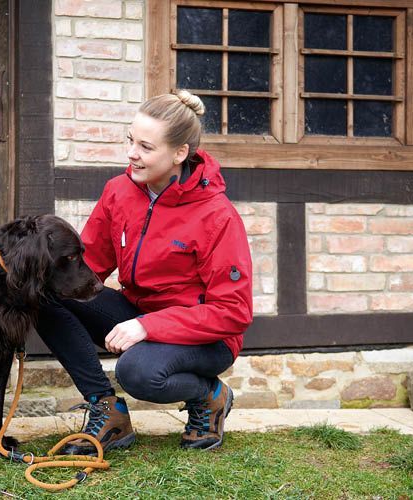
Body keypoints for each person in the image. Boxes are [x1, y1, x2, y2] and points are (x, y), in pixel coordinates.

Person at [36, 90, 253, 454]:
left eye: (146, 147)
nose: (131, 154)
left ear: (179, 153)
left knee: (137, 371)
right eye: (131, 141)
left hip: (204, 338)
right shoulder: (119, 192)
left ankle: (210, 395)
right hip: (141, 316)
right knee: (46, 295)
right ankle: (108, 414)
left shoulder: (217, 216)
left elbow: (233, 313)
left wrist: (147, 327)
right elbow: (88, 269)